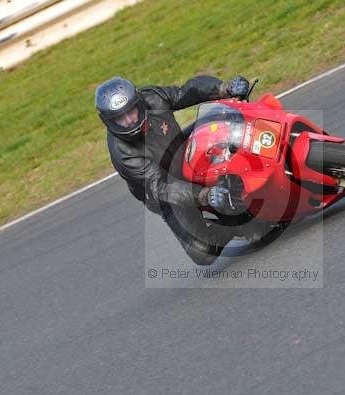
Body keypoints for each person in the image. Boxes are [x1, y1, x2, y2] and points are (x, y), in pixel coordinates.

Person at [95, 75, 250, 265]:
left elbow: (186, 92)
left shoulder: (152, 97)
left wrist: (224, 88)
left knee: (221, 122)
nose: (129, 121)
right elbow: (161, 187)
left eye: (131, 112)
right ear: (108, 121)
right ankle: (235, 225)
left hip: (184, 154)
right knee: (203, 254)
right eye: (120, 118)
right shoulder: (123, 154)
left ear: (138, 102)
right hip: (165, 194)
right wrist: (205, 195)